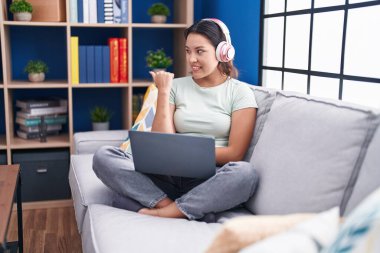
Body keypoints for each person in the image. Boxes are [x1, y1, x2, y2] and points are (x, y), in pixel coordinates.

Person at [93, 18, 259, 221]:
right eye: (188, 51)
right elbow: (161, 142)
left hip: (209, 179)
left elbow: (235, 153)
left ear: (222, 52)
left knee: (246, 173)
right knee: (104, 156)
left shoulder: (240, 92)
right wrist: (163, 91)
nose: (191, 59)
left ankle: (160, 209)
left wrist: (190, 153)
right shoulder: (176, 86)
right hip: (167, 176)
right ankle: (174, 208)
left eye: (199, 51)